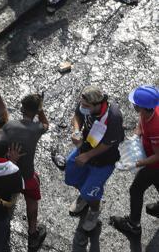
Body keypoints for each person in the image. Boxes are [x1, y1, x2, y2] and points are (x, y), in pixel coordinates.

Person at [64, 86, 124, 232]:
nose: (82, 107)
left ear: (98, 105)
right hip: (85, 147)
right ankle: (84, 197)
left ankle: (94, 210)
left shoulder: (113, 116)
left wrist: (87, 156)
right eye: (82, 104)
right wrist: (76, 131)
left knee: (91, 191)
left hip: (103, 160)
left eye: (86, 106)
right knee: (71, 175)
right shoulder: (85, 104)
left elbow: (108, 144)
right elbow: (77, 116)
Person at [109, 85, 159, 236]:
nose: (133, 105)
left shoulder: (156, 127)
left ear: (141, 107)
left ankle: (133, 225)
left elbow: (158, 156)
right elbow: (141, 121)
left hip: (155, 163)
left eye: (135, 104)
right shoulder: (150, 110)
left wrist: (137, 163)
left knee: (136, 189)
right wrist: (137, 135)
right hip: (151, 158)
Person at [2, 93, 48, 249]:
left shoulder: (9, 126)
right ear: (36, 111)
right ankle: (32, 232)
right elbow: (45, 123)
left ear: (21, 108)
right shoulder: (36, 129)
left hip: (8, 174)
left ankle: (3, 222)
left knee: (5, 197)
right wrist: (40, 110)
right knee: (32, 201)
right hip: (27, 177)